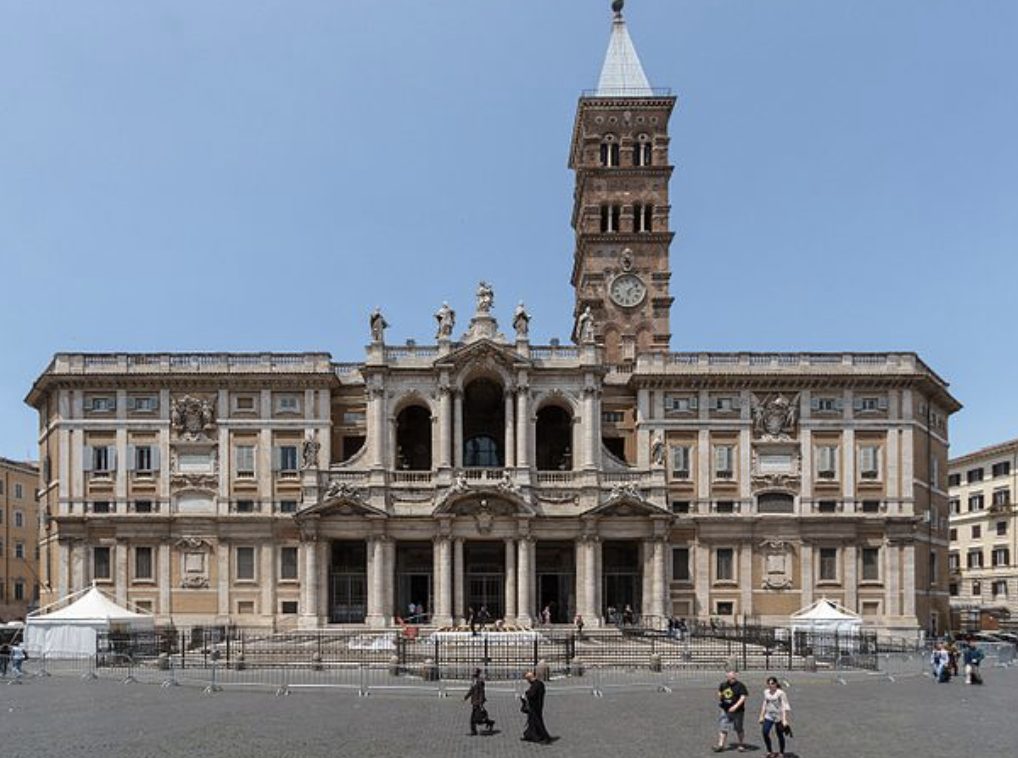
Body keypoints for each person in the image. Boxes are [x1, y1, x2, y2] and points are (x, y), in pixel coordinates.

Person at [714, 670, 749, 753]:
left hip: (738, 711)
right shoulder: (723, 685)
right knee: (723, 726)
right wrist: (720, 696)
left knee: (738, 728)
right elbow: (720, 691)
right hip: (725, 709)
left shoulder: (740, 686)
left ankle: (741, 744)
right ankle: (721, 745)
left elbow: (743, 697)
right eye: (730, 678)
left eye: (733, 678)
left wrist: (735, 706)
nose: (732, 679)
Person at [758, 676, 792, 758]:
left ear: (776, 684)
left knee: (779, 734)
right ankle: (769, 751)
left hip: (778, 716)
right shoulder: (766, 692)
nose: (771, 685)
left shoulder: (780, 693)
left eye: (772, 683)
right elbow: (765, 703)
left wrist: (784, 719)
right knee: (765, 732)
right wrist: (761, 715)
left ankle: (781, 752)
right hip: (769, 715)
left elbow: (784, 706)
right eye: (769, 684)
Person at [520, 671, 552, 744]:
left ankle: (545, 737)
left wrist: (525, 695)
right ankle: (529, 735)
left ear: (529, 679)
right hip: (537, 705)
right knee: (531, 722)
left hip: (535, 706)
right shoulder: (539, 684)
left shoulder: (535, 685)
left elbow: (532, 695)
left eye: (527, 680)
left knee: (537, 722)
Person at [464, 668, 495, 736]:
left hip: (478, 702)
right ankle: (474, 731)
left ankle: (489, 723)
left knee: (478, 719)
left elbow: (481, 693)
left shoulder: (480, 682)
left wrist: (480, 702)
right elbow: (471, 690)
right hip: (474, 702)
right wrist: (466, 697)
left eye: (474, 675)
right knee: (473, 718)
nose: (472, 676)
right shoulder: (474, 682)